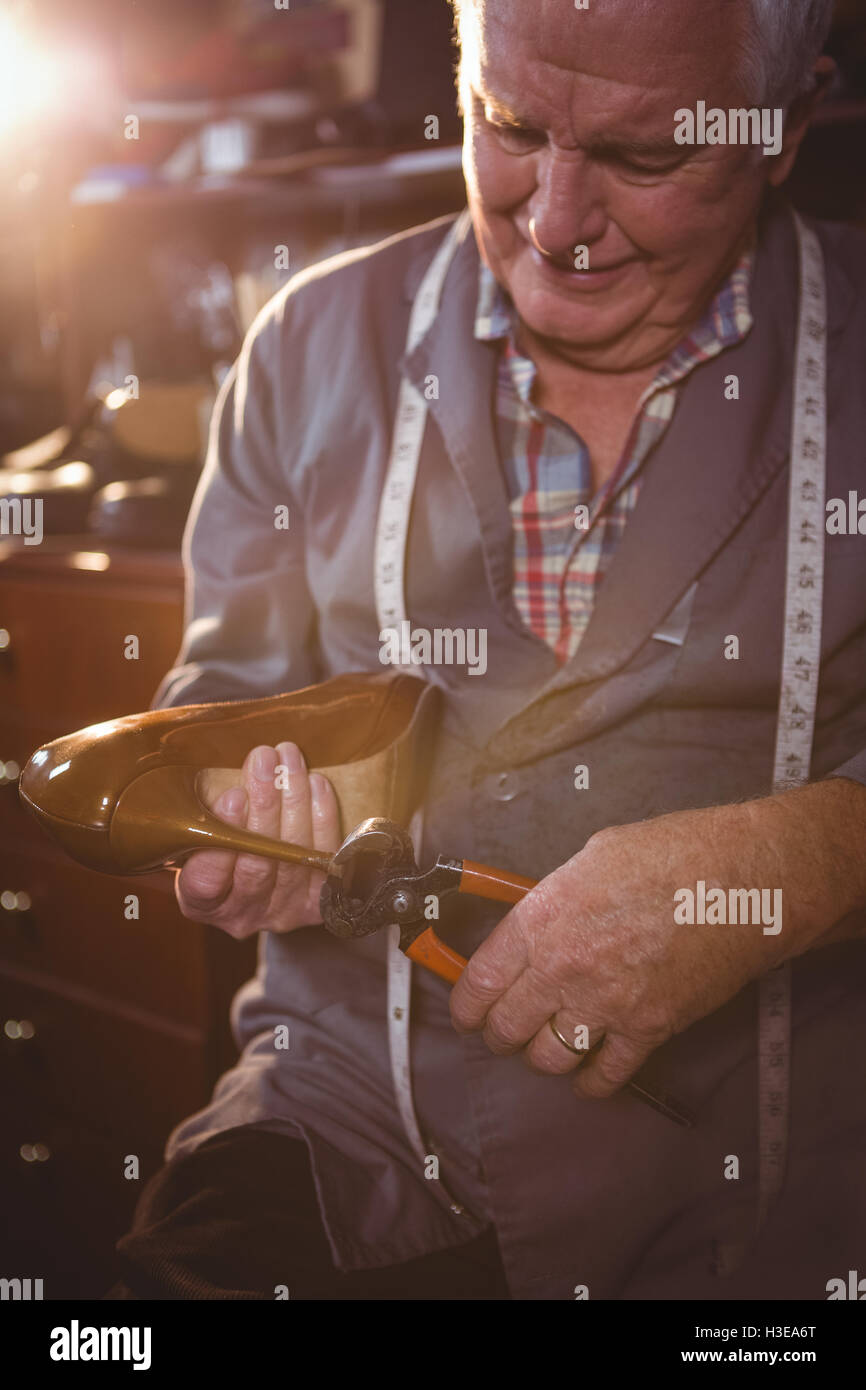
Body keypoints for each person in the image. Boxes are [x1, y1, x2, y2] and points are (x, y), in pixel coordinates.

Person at [109, 0, 866, 1301]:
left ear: (786, 120)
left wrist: (795, 860)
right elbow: (220, 700)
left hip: (771, 1184)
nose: (555, 221)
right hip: (355, 1124)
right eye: (508, 126)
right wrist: (229, 814)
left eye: (642, 156)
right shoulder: (305, 345)